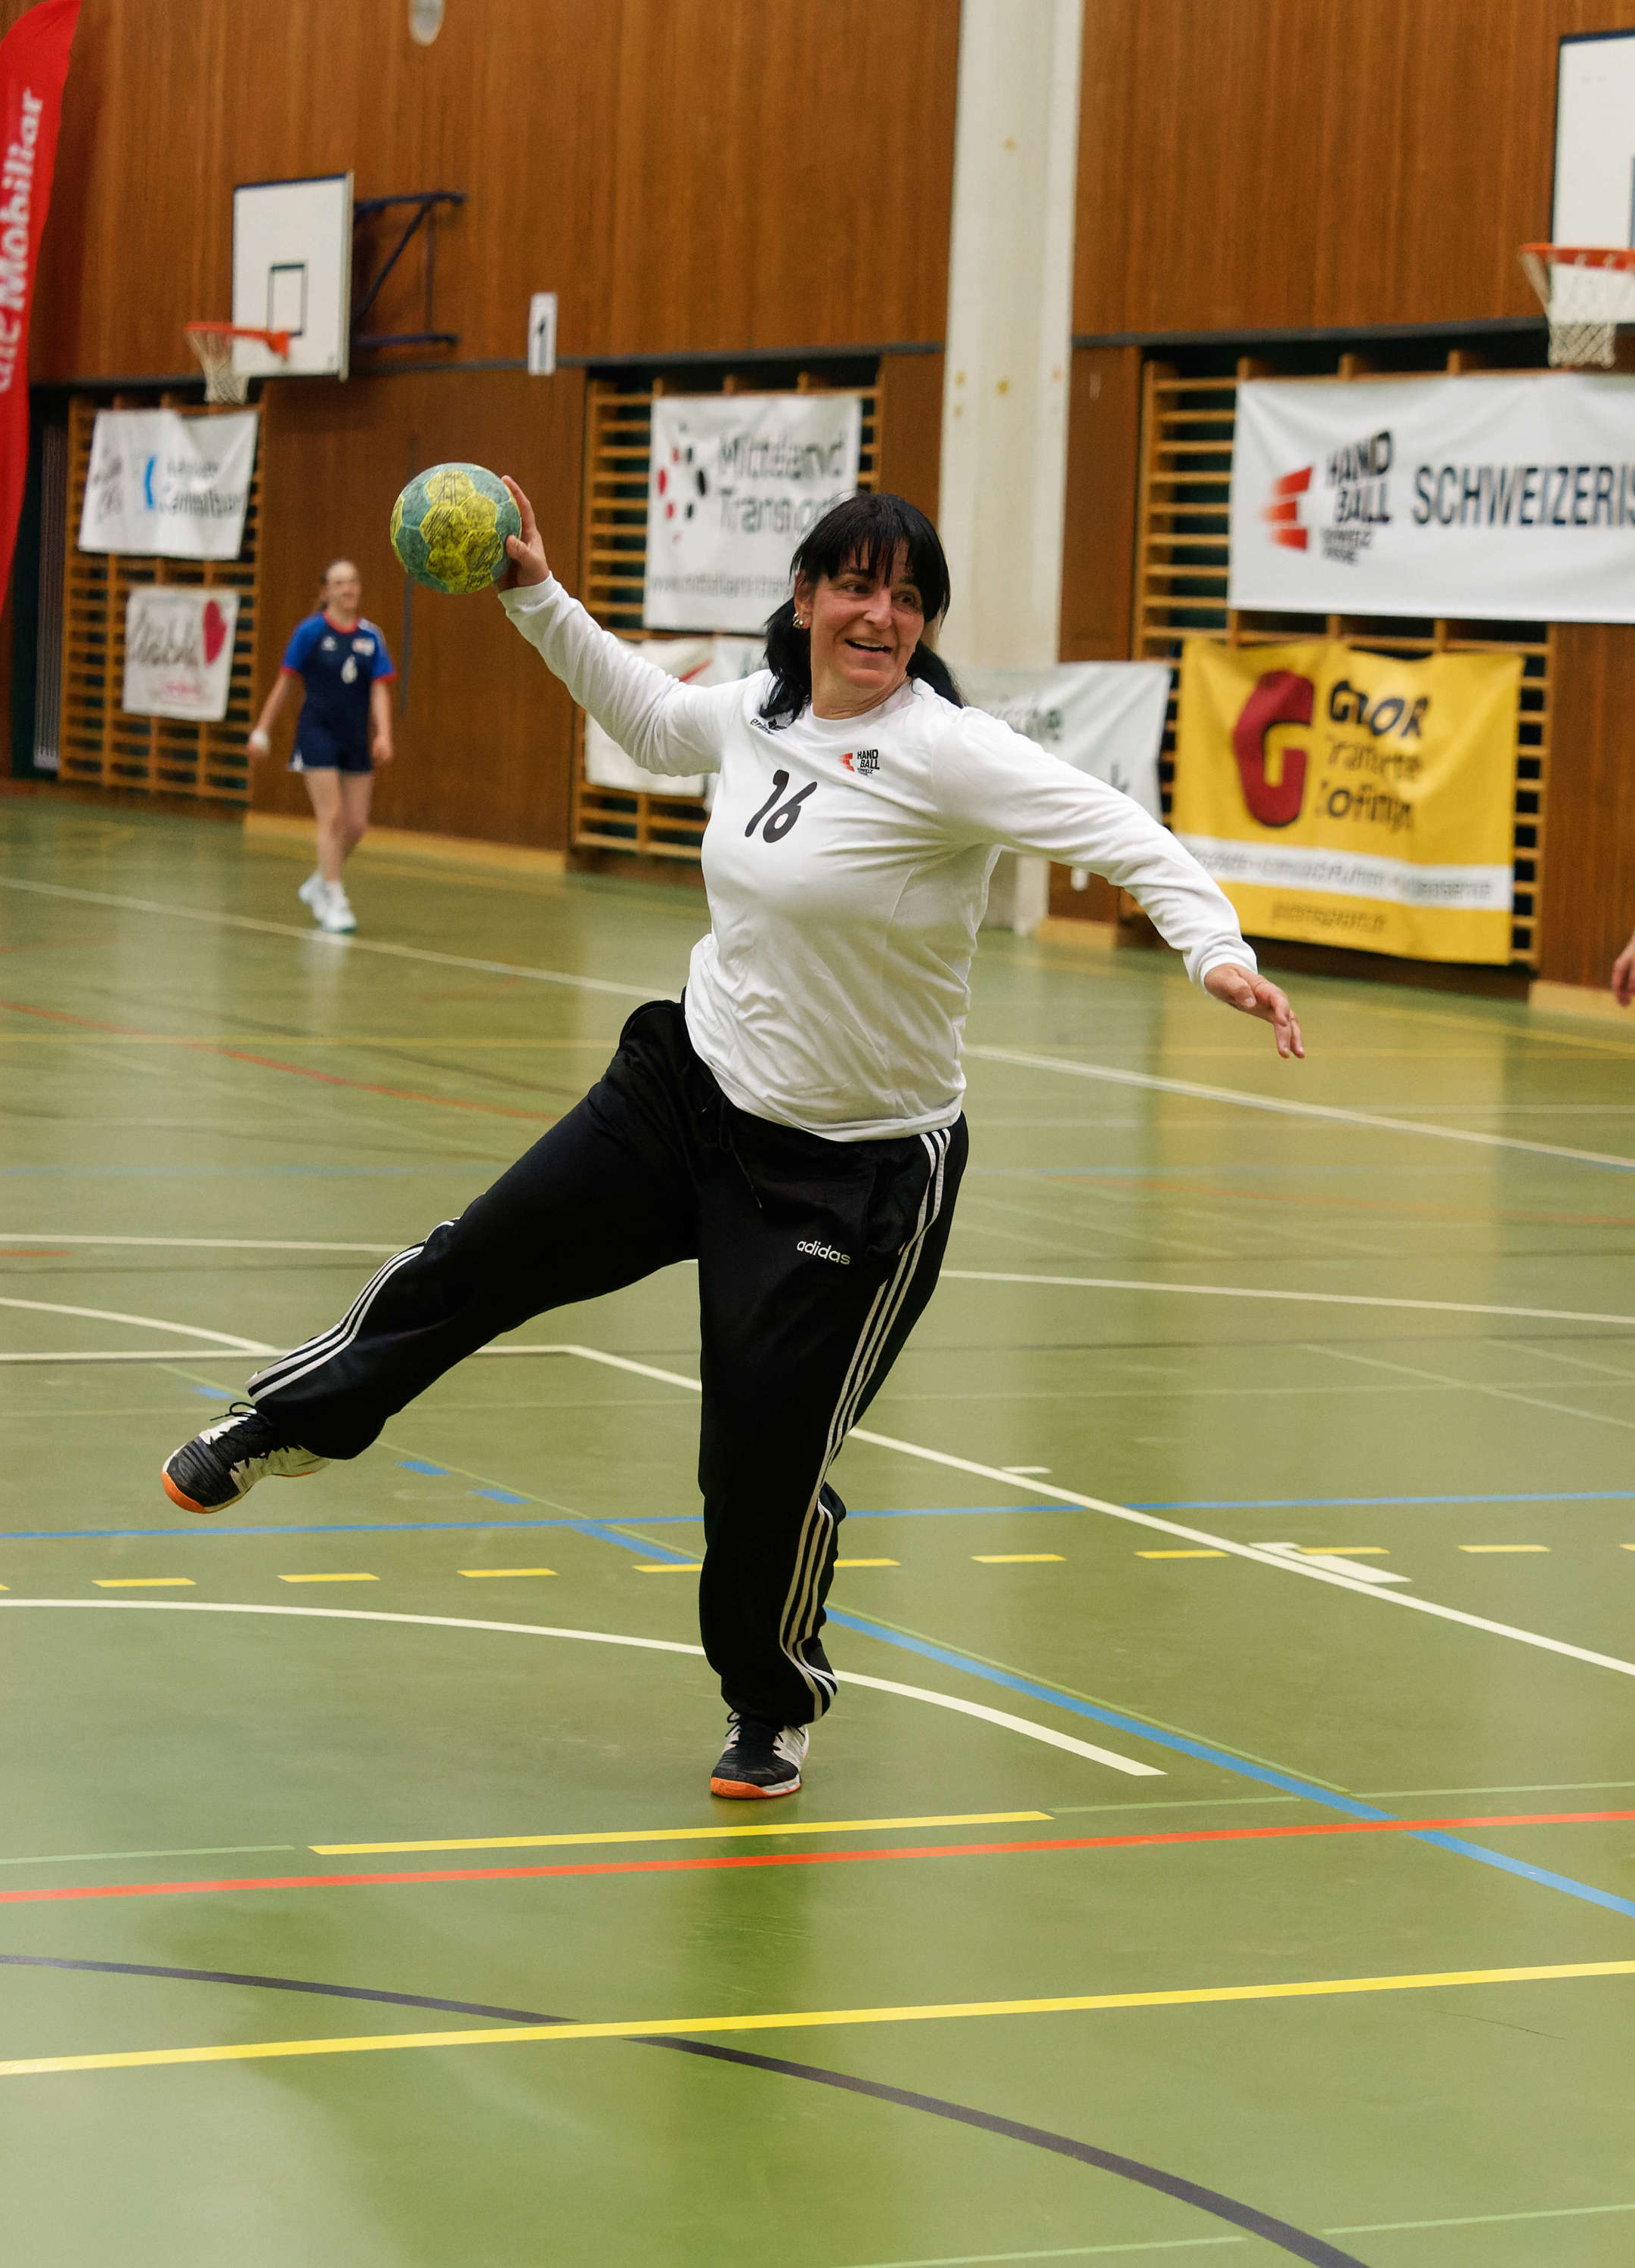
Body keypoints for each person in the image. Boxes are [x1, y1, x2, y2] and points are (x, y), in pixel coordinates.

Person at [163, 485, 1303, 1800]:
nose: (880, 615)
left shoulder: (950, 754)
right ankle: (286, 1424)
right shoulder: (761, 712)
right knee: (479, 1258)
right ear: (806, 595)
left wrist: (1214, 951)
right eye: (856, 586)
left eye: (907, 597)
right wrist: (535, 592)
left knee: (761, 1470)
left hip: (849, 1173)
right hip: (690, 1093)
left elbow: (1125, 836)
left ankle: (771, 1703)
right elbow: (652, 719)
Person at [247, 559, 395, 934]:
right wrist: (262, 730)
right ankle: (334, 897)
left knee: (356, 826)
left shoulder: (371, 637)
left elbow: (379, 689)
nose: (348, 588)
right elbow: (284, 684)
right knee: (332, 817)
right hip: (317, 734)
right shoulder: (310, 632)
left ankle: (319, 882)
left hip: (355, 737)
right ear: (326, 591)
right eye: (339, 583)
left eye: (353, 581)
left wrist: (384, 734)